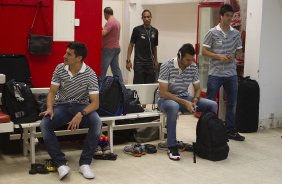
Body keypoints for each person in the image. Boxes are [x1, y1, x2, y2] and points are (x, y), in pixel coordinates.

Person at [40, 42, 102, 180]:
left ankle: (85, 163)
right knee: (45, 124)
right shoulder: (60, 68)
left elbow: (95, 103)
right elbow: (51, 92)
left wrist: (81, 114)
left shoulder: (90, 74)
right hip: (61, 106)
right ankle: (60, 164)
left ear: (79, 58)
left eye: (69, 54)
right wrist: (50, 108)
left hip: (81, 107)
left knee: (96, 122)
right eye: (66, 52)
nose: (64, 56)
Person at [157, 43, 218, 161]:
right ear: (179, 56)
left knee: (212, 105)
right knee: (174, 106)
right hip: (165, 100)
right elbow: (163, 93)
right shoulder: (167, 65)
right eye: (187, 59)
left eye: (192, 59)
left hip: (185, 98)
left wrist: (195, 100)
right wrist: (185, 103)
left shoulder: (193, 67)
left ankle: (205, 141)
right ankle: (172, 146)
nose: (190, 62)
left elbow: (197, 88)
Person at [202, 4, 245, 141]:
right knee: (209, 102)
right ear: (220, 16)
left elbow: (239, 51)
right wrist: (218, 56)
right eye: (227, 16)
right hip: (215, 73)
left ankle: (230, 130)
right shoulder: (212, 32)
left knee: (232, 102)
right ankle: (207, 128)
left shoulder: (236, 34)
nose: (229, 19)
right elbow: (204, 51)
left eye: (231, 16)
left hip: (231, 74)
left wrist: (236, 55)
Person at [126, 9, 159, 84]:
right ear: (142, 18)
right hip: (139, 63)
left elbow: (154, 47)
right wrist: (128, 60)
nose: (147, 19)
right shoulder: (137, 30)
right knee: (138, 87)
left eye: (148, 17)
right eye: (145, 17)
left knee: (149, 87)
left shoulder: (155, 31)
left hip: (150, 64)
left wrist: (156, 60)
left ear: (151, 17)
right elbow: (131, 44)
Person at [101, 7, 123, 82]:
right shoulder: (117, 22)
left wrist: (98, 28)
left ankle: (101, 87)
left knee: (102, 69)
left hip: (108, 49)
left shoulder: (110, 22)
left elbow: (103, 33)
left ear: (105, 14)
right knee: (116, 69)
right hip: (116, 48)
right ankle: (121, 86)